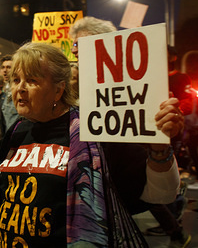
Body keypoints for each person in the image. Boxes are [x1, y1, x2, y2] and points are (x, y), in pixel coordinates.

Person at [0, 42, 182, 246]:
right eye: (15, 80)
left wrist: (160, 147)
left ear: (58, 89)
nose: (19, 88)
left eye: (31, 80)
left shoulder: (92, 132)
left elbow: (161, 194)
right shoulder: (17, 131)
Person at [70, 16, 190, 247]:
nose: (76, 51)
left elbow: (160, 193)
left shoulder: (139, 89)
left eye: (82, 45)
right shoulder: (70, 88)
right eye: (75, 46)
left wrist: (160, 143)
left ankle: (176, 229)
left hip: (122, 184)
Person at [0, 55, 20, 131]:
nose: (5, 70)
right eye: (3, 67)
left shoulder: (20, 91)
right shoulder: (4, 92)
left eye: (8, 67)